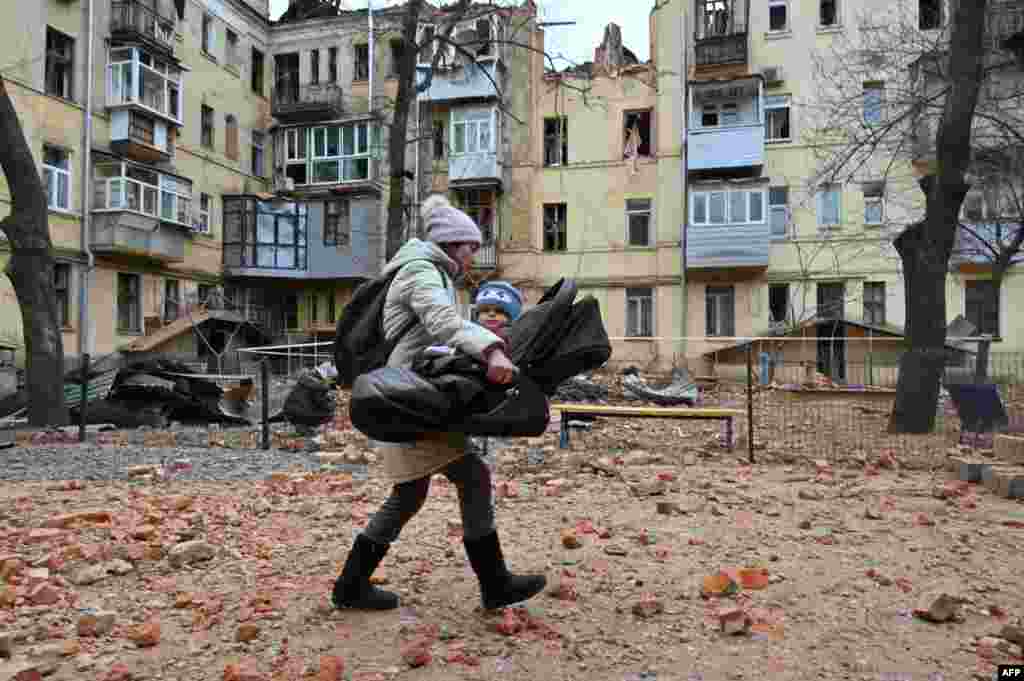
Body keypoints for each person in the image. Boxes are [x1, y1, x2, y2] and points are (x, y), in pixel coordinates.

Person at [332, 195, 547, 612]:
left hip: (403, 397)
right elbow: (443, 324)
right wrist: (491, 351)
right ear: (452, 244)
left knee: (413, 494)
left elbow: (425, 341)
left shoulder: (431, 273)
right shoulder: (420, 272)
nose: (472, 255)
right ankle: (494, 582)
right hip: (402, 400)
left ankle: (351, 585)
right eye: (469, 247)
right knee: (471, 478)